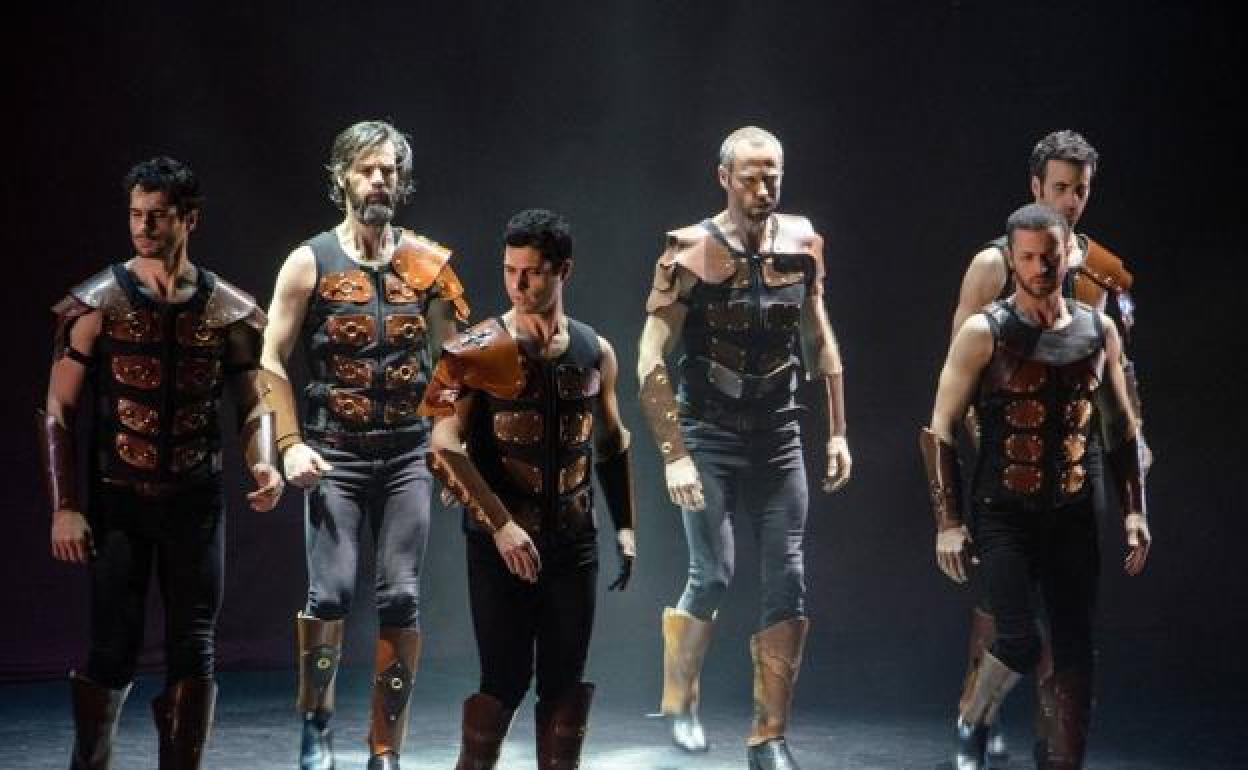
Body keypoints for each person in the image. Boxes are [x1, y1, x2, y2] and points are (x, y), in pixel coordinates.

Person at [40, 156, 283, 769]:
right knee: (112, 650)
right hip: (118, 499)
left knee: (194, 650)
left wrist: (263, 462)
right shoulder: (96, 303)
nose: (143, 227)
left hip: (196, 501)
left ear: (189, 219)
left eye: (157, 215)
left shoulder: (227, 309)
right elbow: (58, 410)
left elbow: (253, 403)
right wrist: (65, 505)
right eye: (136, 214)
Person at [636, 126, 850, 770]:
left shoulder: (802, 244)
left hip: (778, 433)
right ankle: (679, 697)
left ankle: (769, 736)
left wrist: (838, 431)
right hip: (709, 432)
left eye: (772, 175)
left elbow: (818, 337)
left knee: (789, 577)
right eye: (751, 176)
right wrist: (674, 453)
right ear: (724, 177)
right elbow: (650, 356)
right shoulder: (690, 251)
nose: (763, 188)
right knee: (714, 573)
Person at [260, 120, 470, 770]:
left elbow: (450, 366)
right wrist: (288, 444)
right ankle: (316, 727)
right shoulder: (310, 261)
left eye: (389, 171)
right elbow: (269, 357)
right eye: (366, 169)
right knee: (329, 594)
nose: (379, 180)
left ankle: (386, 748)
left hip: (406, 454)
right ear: (342, 177)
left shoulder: (430, 265)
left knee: (401, 596)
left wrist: (448, 449)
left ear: (402, 182)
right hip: (335, 453)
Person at [921, 202, 1151, 770]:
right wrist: (949, 522)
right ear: (1013, 259)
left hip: (1073, 510)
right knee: (1020, 639)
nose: (1039, 268)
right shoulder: (984, 333)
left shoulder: (1097, 331)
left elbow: (1120, 429)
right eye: (1026, 258)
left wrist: (1134, 510)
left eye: (1048, 256)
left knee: (1074, 647)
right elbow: (940, 428)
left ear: (1066, 253)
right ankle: (973, 716)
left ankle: (1062, 760)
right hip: (1003, 511)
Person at [420, 208, 636, 770]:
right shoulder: (476, 348)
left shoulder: (595, 350)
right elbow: (443, 443)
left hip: (573, 541)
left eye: (532, 272)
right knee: (504, 679)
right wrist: (500, 525)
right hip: (501, 544)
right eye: (509, 270)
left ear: (564, 270)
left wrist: (625, 526)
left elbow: (611, 442)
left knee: (564, 684)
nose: (517, 284)